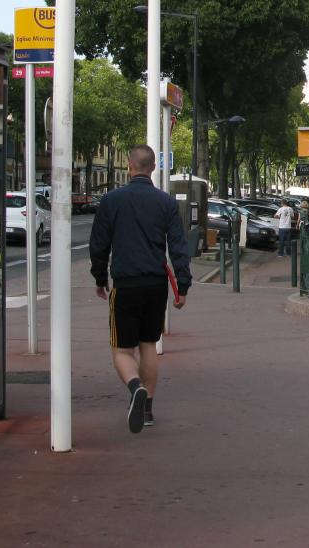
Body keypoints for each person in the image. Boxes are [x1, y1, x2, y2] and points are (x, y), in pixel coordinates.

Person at [89, 145, 190, 434]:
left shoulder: (111, 201)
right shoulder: (166, 203)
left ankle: (134, 388)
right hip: (156, 285)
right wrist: (182, 285)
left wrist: (100, 278)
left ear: (130, 166)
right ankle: (146, 411)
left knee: (122, 350)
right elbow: (179, 247)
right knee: (148, 346)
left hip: (126, 284)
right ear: (152, 168)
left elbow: (99, 245)